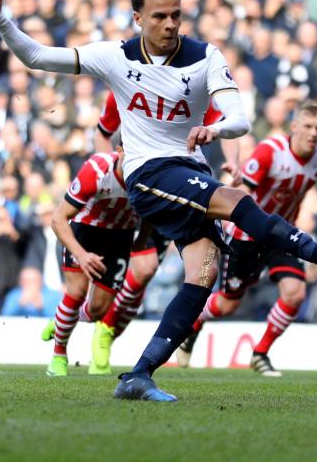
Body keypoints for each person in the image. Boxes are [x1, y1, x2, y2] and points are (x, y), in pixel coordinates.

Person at [0, 0, 317, 401]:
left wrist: (217, 130)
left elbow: (240, 118)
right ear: (138, 18)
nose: (170, 24)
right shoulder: (115, 56)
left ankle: (138, 374)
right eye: (159, 16)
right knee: (237, 201)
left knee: (204, 271)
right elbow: (37, 56)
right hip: (148, 173)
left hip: (190, 169)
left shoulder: (205, 57)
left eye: (176, 14)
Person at [176, 98, 317, 376]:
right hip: (247, 235)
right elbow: (242, 191)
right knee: (227, 304)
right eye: (308, 126)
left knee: (295, 293)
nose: (314, 133)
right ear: (294, 126)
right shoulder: (270, 151)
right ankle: (193, 326)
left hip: (283, 235)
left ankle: (260, 353)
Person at [89, 91, 227, 374]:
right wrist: (110, 172)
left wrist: (233, 161)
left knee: (147, 272)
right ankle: (99, 328)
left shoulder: (188, 90)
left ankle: (107, 330)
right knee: (143, 268)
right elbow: (103, 135)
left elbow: (224, 125)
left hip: (175, 189)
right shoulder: (124, 87)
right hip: (138, 190)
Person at [40, 148, 142, 376]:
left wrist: (141, 242)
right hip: (84, 230)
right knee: (75, 293)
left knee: (97, 310)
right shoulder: (96, 170)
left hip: (120, 236)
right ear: (119, 151)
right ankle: (58, 356)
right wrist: (82, 254)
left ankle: (60, 319)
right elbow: (58, 219)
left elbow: (152, 215)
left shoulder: (150, 174)